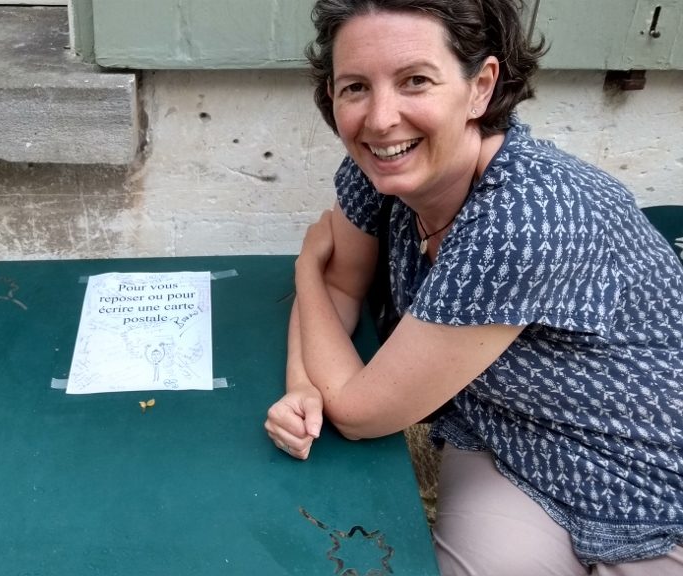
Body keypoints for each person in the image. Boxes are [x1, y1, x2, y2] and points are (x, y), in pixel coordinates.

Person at [263, 0, 683, 574]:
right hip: (511, 433)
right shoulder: (381, 172)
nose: (380, 118)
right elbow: (342, 287)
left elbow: (360, 412)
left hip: (652, 470)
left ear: (481, 86)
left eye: (415, 81)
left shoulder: (522, 220)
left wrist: (303, 271)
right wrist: (302, 384)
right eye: (355, 87)